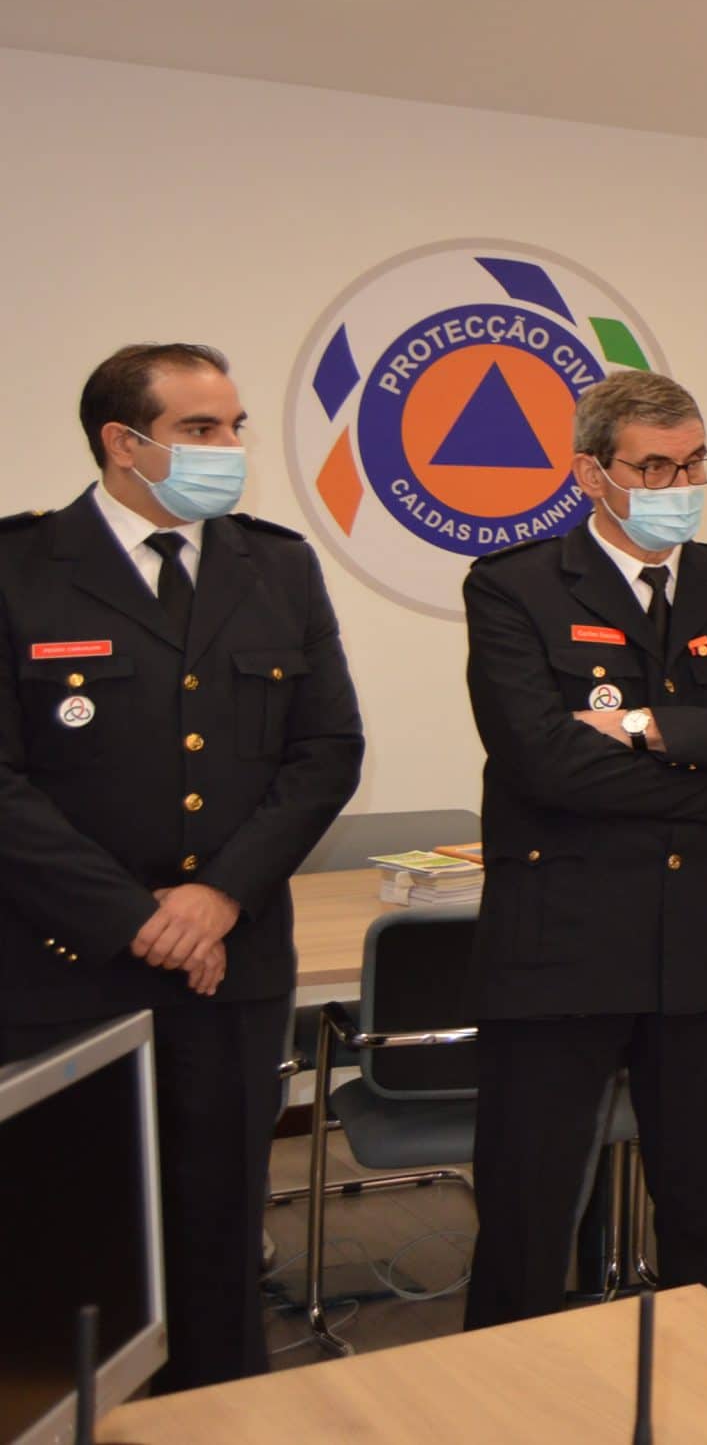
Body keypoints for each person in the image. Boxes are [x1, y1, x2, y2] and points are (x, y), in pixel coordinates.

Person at [0, 343, 363, 1388]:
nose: (229, 447)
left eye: (234, 425)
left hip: (230, 967)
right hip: (68, 968)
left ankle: (220, 1412)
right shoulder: (21, 568)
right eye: (201, 429)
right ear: (124, 443)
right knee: (74, 1234)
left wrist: (217, 896)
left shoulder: (276, 564)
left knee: (219, 1231)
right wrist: (138, 918)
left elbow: (326, 750)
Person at [463, 370, 707, 1329]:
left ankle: (703, 1395)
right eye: (655, 466)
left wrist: (643, 727)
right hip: (562, 943)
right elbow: (544, 762)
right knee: (528, 1216)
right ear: (591, 473)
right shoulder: (515, 587)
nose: (683, 483)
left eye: (696, 461)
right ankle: (503, 1395)